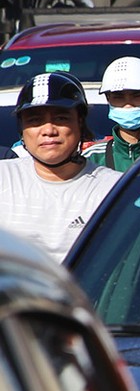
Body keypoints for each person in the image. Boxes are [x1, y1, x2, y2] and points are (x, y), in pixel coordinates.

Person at [0, 72, 120, 263]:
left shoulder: (112, 189)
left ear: (80, 122)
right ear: (21, 129)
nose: (48, 131)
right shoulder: (3, 178)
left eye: (61, 118)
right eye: (34, 121)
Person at [91, 54, 140, 171]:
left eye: (137, 96)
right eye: (118, 97)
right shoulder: (93, 157)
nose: (128, 105)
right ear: (108, 99)